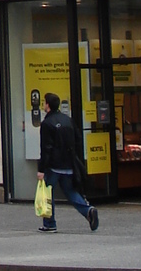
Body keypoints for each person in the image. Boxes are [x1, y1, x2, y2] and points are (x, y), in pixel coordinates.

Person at [36, 92, 98, 234]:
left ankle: (49, 223)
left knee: (47, 193)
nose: (43, 105)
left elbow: (46, 148)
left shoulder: (47, 123)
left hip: (53, 166)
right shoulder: (68, 120)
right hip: (68, 165)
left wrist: (41, 169)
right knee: (70, 191)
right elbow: (77, 140)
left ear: (48, 105)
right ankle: (88, 210)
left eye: (44, 102)